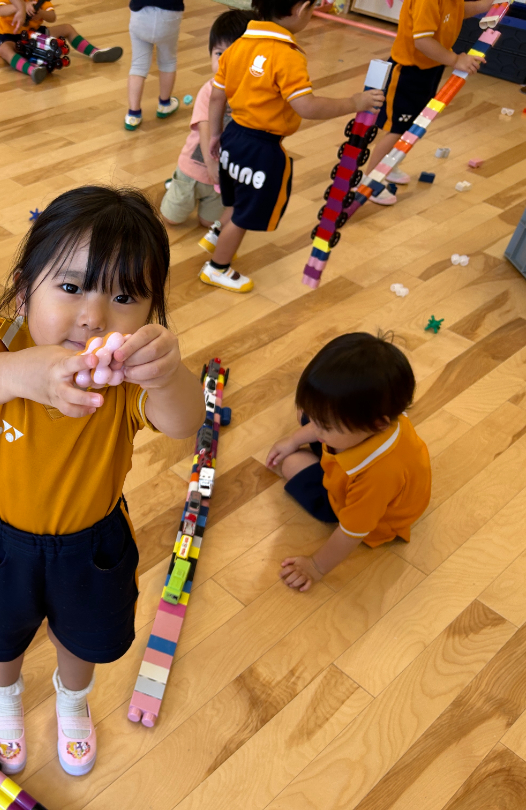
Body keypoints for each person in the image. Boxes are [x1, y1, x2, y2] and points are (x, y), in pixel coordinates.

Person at [0, 186, 205, 776]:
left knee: (84, 639)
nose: (93, 315)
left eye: (125, 295)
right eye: (72, 285)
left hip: (93, 544)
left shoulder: (127, 377)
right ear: (26, 284)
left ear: (151, 311)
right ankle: (3, 696)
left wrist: (169, 374)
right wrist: (29, 371)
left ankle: (72, 700)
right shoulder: (1, 342)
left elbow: (187, 423)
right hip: (1, 540)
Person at [205, 0, 384, 292]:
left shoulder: (237, 45)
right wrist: (354, 103)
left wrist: (215, 134)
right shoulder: (287, 56)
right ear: (301, 9)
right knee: (244, 215)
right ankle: (217, 267)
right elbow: (307, 107)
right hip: (261, 148)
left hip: (233, 135)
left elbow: (216, 97)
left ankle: (215, 236)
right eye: (313, 9)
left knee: (238, 197)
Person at [266, 333, 431, 592]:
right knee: (304, 413)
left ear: (378, 423)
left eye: (326, 424)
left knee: (291, 463)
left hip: (367, 511)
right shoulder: (373, 420)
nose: (315, 426)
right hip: (351, 462)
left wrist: (316, 567)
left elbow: (352, 532)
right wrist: (292, 438)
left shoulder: (378, 476)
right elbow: (318, 423)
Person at [362, 0, 490, 205]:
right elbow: (422, 41)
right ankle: (370, 180)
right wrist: (455, 60)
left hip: (430, 68)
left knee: (414, 124)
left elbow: (458, 10)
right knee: (397, 128)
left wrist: (486, 5)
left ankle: (389, 164)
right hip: (408, 71)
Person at [160, 9, 251, 244]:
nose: (224, 62)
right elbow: (205, 129)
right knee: (172, 219)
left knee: (208, 224)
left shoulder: (251, 94)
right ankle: (175, 185)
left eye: (234, 55)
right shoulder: (209, 90)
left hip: (223, 179)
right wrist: (211, 164)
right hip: (194, 168)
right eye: (219, 53)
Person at [0, 0, 122, 84]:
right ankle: (32, 70)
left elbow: (52, 17)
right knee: (4, 49)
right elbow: (1, 10)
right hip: (11, 36)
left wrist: (41, 14)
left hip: (35, 35)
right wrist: (20, 8)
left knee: (67, 28)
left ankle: (95, 52)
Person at [124, 0, 183, 130]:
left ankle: (133, 114)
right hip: (169, 15)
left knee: (138, 65)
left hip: (139, 15)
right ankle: (165, 104)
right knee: (168, 61)